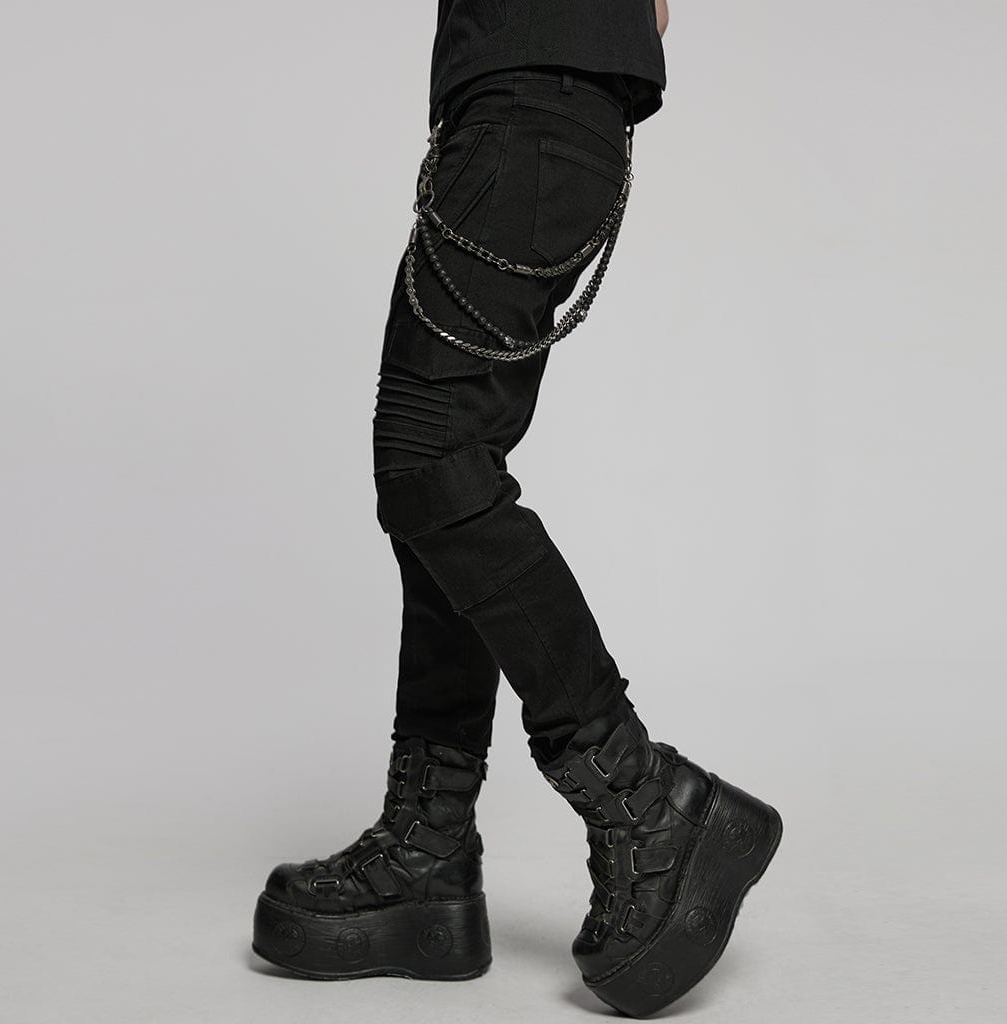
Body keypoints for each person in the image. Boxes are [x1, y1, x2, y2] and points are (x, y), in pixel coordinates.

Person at [252, 2, 782, 1015]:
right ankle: (430, 847)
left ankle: (646, 800)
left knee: (433, 458)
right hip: (527, 100)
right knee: (437, 471)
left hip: (529, 97)